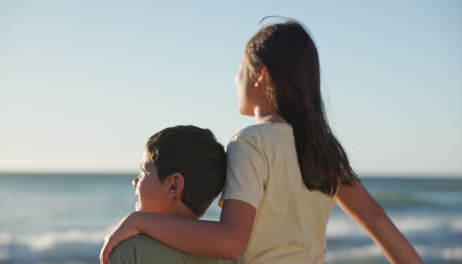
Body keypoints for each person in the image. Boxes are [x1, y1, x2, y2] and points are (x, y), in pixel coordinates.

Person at [101, 18, 424, 264]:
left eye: (240, 69)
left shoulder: (251, 143)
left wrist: (140, 220)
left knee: (132, 249)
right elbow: (377, 219)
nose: (235, 79)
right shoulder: (322, 148)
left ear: (261, 74)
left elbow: (231, 241)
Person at [108, 125, 240, 264]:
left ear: (173, 185)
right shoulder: (228, 257)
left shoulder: (131, 250)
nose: (135, 181)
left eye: (143, 172)